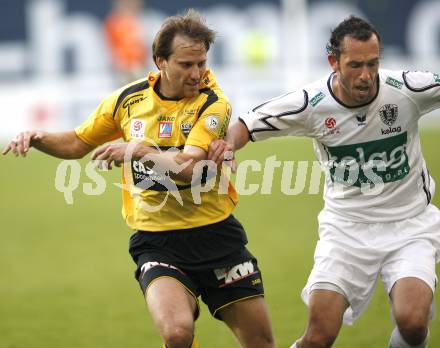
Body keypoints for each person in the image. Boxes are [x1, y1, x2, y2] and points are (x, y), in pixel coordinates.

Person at [2, 10, 275, 348]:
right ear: (160, 60)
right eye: (186, 64)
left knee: (261, 344)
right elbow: (76, 143)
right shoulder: (127, 100)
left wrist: (138, 150)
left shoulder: (214, 103)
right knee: (176, 334)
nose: (197, 73)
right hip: (156, 241)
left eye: (202, 63)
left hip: (217, 237)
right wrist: (39, 137)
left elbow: (189, 166)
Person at [208, 16, 440, 348]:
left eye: (373, 63)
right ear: (334, 62)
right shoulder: (313, 103)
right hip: (346, 231)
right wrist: (229, 145)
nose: (366, 74)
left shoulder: (406, 89)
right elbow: (249, 121)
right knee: (319, 337)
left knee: (413, 323)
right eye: (355, 64)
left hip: (410, 226)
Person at [104, 0, 148, 84]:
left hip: (140, 67)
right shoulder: (113, 22)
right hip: (124, 69)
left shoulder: (143, 20)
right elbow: (113, 48)